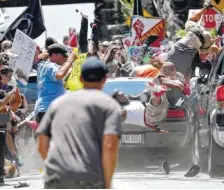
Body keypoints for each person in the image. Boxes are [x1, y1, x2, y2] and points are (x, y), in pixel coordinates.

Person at [36, 57, 122, 189]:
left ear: (81, 79)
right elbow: (110, 145)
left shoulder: (58, 103)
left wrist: (56, 168)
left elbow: (42, 142)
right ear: (104, 80)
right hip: (90, 178)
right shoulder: (109, 105)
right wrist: (107, 183)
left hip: (56, 179)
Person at [113, 62, 185, 132]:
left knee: (155, 102)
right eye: (121, 96)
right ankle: (157, 95)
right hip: (153, 113)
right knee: (154, 104)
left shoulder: (177, 80)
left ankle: (157, 94)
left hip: (158, 111)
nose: (123, 95)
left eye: (122, 94)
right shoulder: (122, 110)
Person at [166, 4, 221, 95]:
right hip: (192, 38)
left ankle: (187, 92)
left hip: (186, 49)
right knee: (190, 21)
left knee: (185, 75)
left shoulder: (174, 66)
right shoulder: (194, 27)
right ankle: (222, 49)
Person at [35, 43, 77, 124]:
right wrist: (70, 60)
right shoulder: (50, 66)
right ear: (54, 55)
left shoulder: (44, 65)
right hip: (48, 110)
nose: (65, 58)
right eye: (63, 55)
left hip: (45, 110)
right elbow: (59, 75)